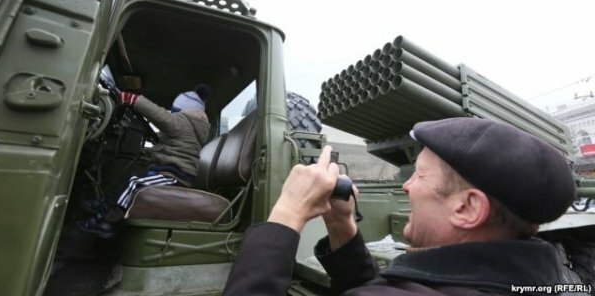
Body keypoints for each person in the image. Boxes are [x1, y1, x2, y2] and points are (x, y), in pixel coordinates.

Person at [222, 117, 577, 295]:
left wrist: (287, 212)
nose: (406, 186)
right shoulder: (536, 279)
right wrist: (341, 227)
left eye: (419, 176)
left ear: (468, 208)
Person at [77, 84, 212, 237]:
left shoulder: (181, 122)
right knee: (133, 176)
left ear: (183, 109)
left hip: (175, 176)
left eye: (175, 110)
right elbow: (169, 149)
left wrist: (133, 100)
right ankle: (106, 207)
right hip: (171, 171)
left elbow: (160, 115)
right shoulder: (190, 126)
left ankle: (109, 222)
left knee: (136, 183)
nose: (172, 113)